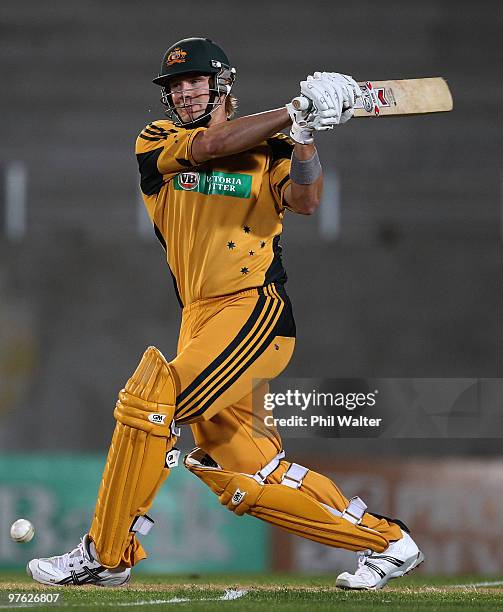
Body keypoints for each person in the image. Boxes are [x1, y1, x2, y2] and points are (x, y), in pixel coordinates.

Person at [27, 37, 423, 590]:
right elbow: (211, 147)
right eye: (176, 86)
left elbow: (307, 202)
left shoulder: (276, 149)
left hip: (253, 312)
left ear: (223, 85)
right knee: (247, 471)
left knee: (151, 401)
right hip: (201, 320)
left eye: (196, 81)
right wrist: (293, 111)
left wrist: (305, 137)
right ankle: (387, 543)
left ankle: (105, 553)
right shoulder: (158, 141)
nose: (186, 93)